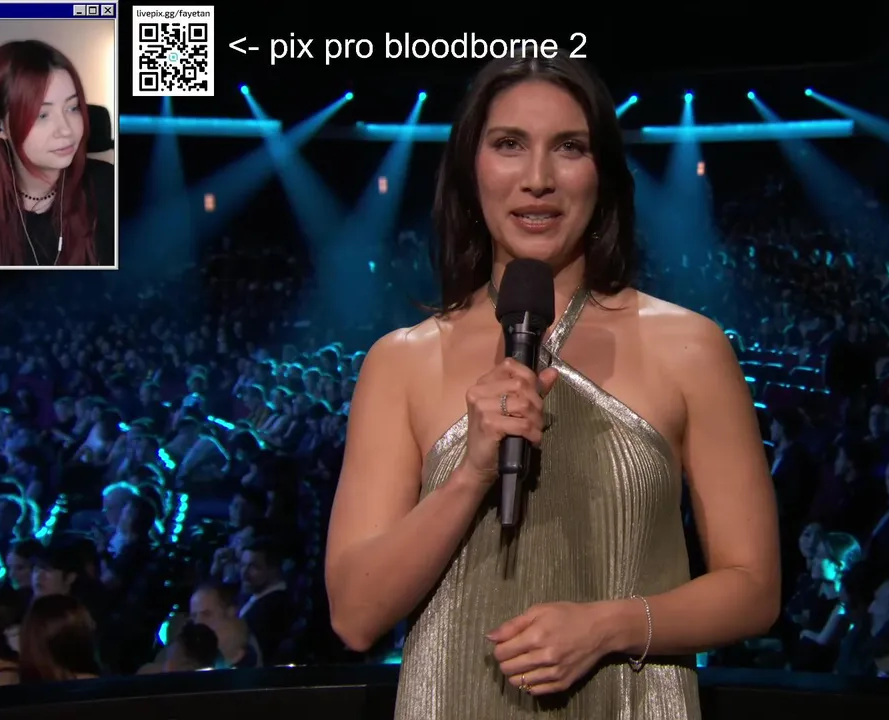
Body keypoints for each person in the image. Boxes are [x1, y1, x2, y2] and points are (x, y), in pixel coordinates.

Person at [325, 50, 781, 719]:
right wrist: (471, 472)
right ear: (471, 168)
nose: (537, 179)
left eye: (569, 147)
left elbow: (754, 590)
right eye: (509, 145)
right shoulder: (401, 362)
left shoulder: (691, 347)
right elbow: (355, 615)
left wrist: (607, 627)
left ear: (602, 174)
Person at [0, 40, 113, 267]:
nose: (66, 130)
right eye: (42, 115)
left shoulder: (106, 185)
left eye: (72, 108)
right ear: (0, 126)